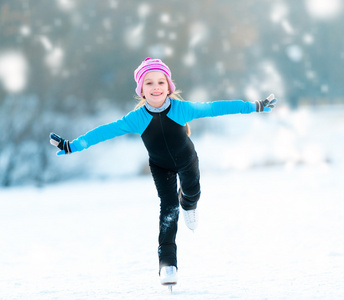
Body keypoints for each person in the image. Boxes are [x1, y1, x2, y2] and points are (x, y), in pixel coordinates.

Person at [50, 57, 277, 286]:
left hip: (187, 161)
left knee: (192, 193)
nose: (155, 87)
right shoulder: (136, 119)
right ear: (141, 91)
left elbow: (217, 107)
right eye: (148, 83)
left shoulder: (182, 109)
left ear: (169, 87)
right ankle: (167, 265)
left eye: (160, 82)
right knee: (168, 210)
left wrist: (254, 106)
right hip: (160, 167)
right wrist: (73, 145)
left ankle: (189, 204)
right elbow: (104, 131)